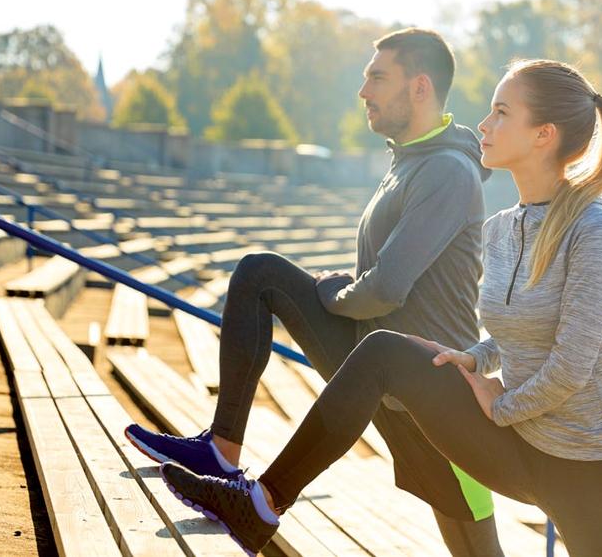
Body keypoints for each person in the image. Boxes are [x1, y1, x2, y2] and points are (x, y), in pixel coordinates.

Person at [159, 59, 602, 557]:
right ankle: (259, 506)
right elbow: (515, 331)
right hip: (520, 447)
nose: (483, 124)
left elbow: (573, 364)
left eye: (501, 112)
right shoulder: (503, 228)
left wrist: (501, 406)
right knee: (386, 354)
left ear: (543, 134)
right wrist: (476, 359)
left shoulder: (593, 229)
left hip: (593, 469)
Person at [125, 28, 506, 555]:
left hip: (434, 392)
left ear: (420, 88)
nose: (363, 91)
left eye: (377, 77)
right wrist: (345, 290)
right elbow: (383, 281)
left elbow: (389, 287)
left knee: (475, 546)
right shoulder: (409, 161)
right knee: (260, 275)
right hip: (375, 369)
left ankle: (258, 503)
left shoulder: (447, 169)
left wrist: (334, 295)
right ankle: (221, 450)